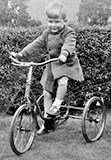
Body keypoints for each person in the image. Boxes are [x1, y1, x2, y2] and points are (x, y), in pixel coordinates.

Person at [10, 0, 84, 134]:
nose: (53, 25)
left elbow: (69, 44)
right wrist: (21, 54)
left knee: (63, 81)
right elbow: (35, 44)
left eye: (57, 22)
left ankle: (57, 105)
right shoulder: (46, 33)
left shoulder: (69, 32)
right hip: (51, 63)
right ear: (47, 20)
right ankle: (47, 122)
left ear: (65, 21)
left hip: (65, 62)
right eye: (50, 21)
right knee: (46, 91)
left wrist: (64, 53)